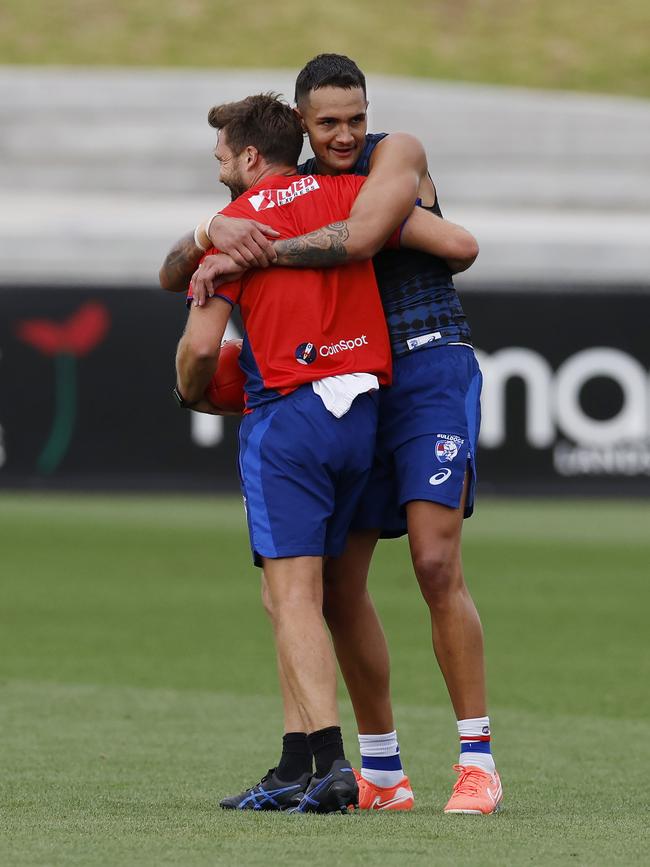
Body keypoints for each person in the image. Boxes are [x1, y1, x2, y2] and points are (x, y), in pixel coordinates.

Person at [169, 54, 503, 816]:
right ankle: (382, 772)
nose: (349, 132)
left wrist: (246, 249)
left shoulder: (392, 158)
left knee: (433, 559)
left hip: (427, 366)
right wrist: (210, 232)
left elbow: (426, 243)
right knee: (338, 586)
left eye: (356, 116)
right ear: (302, 123)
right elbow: (178, 270)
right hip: (361, 384)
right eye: (330, 122)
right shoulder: (305, 186)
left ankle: (477, 759)